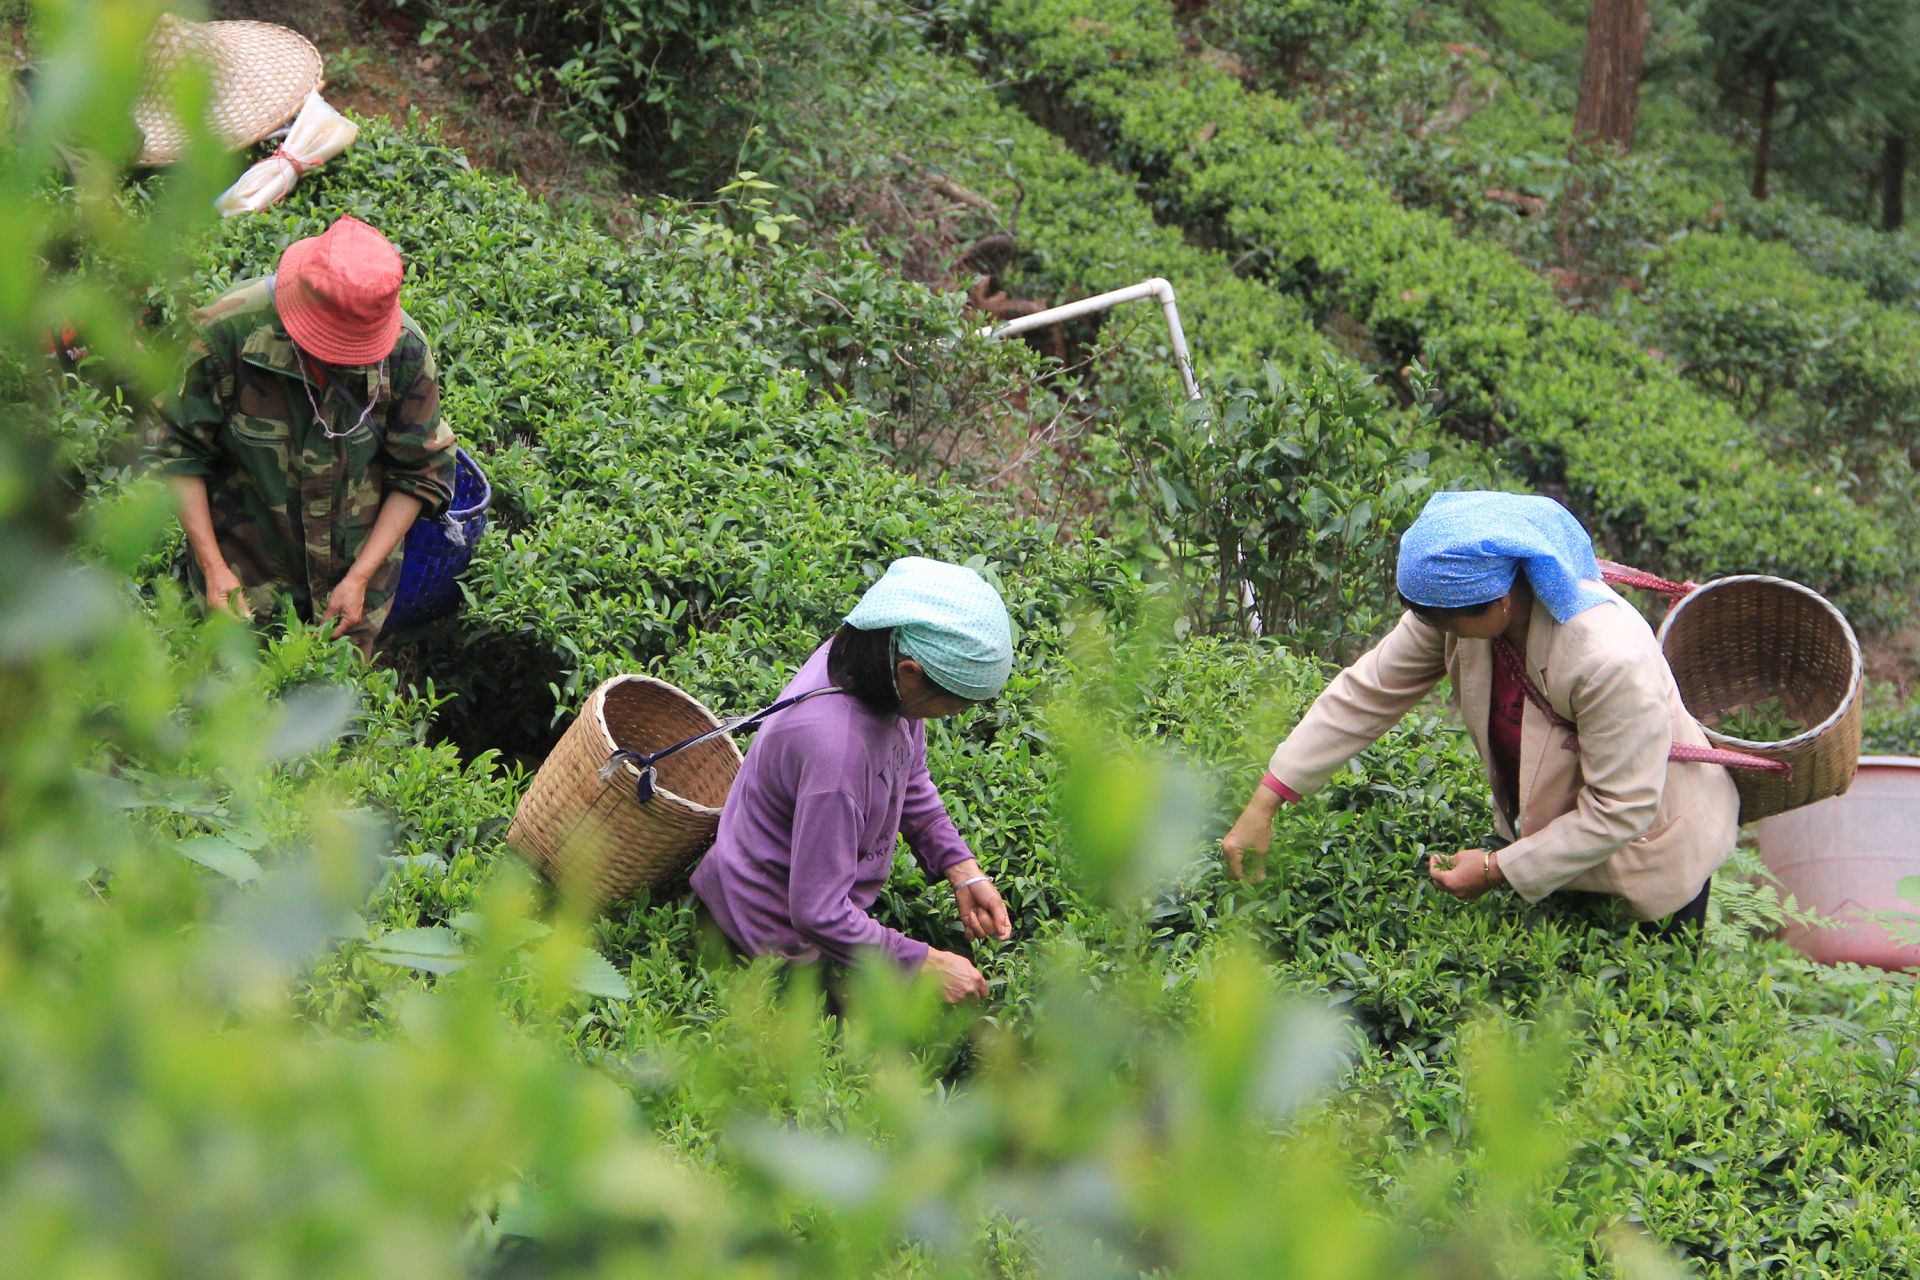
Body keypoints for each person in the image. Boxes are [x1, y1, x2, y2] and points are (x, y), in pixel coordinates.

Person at [1220, 491, 1739, 935]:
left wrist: (1495, 869)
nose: (1428, 628)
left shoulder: (1605, 659)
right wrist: (1265, 802)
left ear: (1499, 605)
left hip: (1646, 855)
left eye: (1439, 618)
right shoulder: (1457, 611)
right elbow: (1369, 691)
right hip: (1549, 840)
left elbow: (1621, 809)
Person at [692, 557, 1015, 1003]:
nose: (956, 715)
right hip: (767, 944)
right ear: (911, 673)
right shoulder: (835, 755)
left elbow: (909, 772)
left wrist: (961, 869)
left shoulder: (877, 666)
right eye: (956, 704)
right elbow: (817, 913)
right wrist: (924, 962)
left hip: (820, 913)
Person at [150, 215, 456, 654]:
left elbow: (421, 472)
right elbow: (176, 452)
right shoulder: (227, 332)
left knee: (331, 706)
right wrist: (213, 567)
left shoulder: (405, 351)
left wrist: (360, 578)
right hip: (244, 582)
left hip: (353, 593)